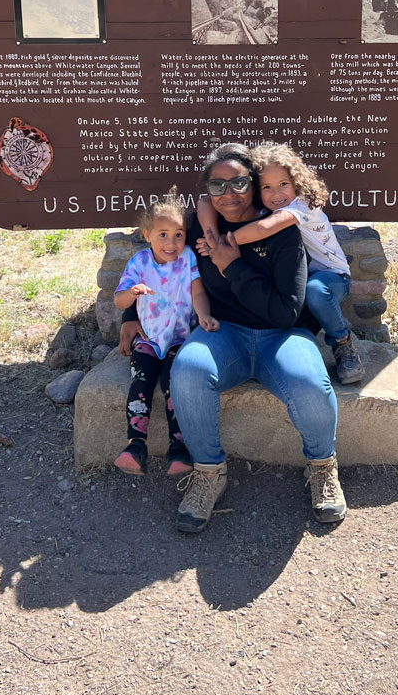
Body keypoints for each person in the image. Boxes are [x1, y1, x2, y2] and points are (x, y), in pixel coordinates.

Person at [119, 143, 346, 534]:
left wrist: (232, 265)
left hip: (283, 335)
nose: (229, 194)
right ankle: (208, 472)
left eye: (239, 182)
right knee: (187, 372)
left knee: (310, 383)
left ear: (254, 185)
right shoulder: (193, 228)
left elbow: (286, 311)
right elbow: (158, 263)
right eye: (217, 185)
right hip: (224, 335)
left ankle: (323, 466)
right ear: (206, 190)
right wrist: (128, 315)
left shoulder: (281, 230)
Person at [197, 142, 364, 384]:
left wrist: (220, 243)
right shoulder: (269, 207)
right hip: (306, 278)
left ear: (298, 182)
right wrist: (210, 231)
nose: (276, 194)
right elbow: (204, 201)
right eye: (267, 187)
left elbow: (264, 228)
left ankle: (342, 342)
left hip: (332, 276)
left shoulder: (300, 205)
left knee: (315, 291)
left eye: (283, 184)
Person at [113, 191, 218, 478]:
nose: (171, 243)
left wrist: (205, 314)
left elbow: (197, 291)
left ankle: (178, 448)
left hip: (180, 339)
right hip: (147, 340)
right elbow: (119, 299)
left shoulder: (188, 259)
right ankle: (135, 445)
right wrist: (131, 294)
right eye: (162, 234)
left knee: (174, 385)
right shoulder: (139, 263)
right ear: (147, 235)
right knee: (141, 382)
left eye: (178, 234)